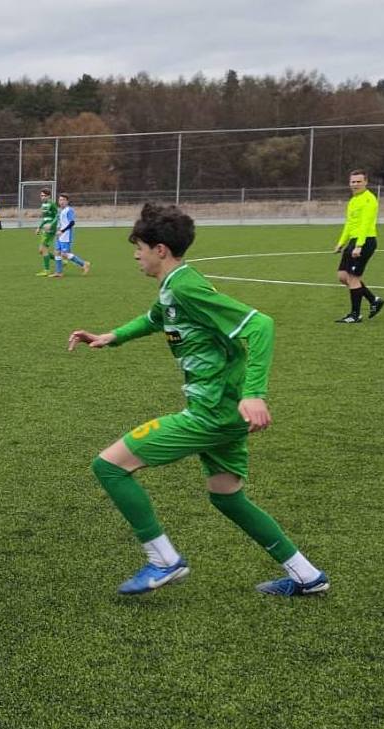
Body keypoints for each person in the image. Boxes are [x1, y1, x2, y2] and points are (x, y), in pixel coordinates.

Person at [67, 203, 328, 596]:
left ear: (160, 250)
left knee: (109, 466)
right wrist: (112, 336)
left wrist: (254, 394)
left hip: (212, 414)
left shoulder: (186, 286)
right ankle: (307, 576)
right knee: (227, 498)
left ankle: (163, 560)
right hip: (222, 413)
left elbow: (261, 325)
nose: (136, 255)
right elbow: (156, 318)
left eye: (139, 248)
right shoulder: (173, 288)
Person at [333, 169, 384, 323]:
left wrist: (359, 246)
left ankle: (355, 315)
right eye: (353, 182)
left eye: (358, 181)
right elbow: (349, 224)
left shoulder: (369, 199)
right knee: (343, 276)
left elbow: (365, 224)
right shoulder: (353, 201)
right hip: (353, 241)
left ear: (365, 182)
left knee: (353, 278)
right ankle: (374, 300)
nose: (355, 184)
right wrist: (341, 242)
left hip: (365, 241)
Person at [48, 193, 90, 277]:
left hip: (66, 236)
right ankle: (59, 272)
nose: (61, 202)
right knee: (57, 252)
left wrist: (62, 231)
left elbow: (72, 223)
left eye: (63, 200)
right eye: (60, 200)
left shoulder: (69, 210)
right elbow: (60, 222)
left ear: (67, 201)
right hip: (59, 235)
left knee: (64, 254)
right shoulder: (60, 211)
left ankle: (83, 264)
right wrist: (54, 229)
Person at [34, 188, 59, 276]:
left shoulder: (52, 204)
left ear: (48, 196)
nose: (42, 197)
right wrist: (39, 227)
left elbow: (57, 216)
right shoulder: (43, 205)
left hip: (50, 229)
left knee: (43, 249)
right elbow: (45, 219)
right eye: (41, 195)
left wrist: (51, 225)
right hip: (45, 228)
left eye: (44, 195)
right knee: (41, 250)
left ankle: (46, 270)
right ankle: (60, 260)